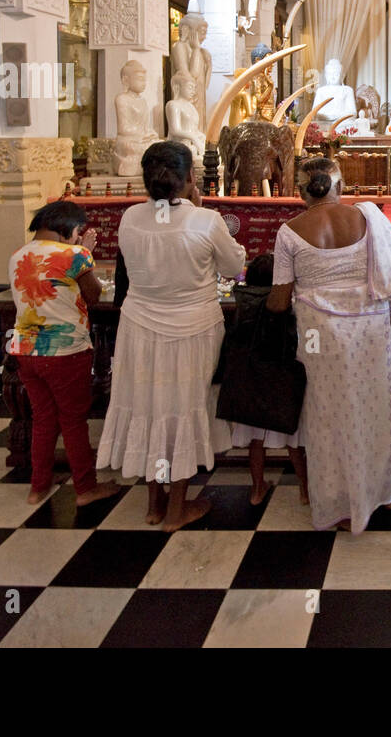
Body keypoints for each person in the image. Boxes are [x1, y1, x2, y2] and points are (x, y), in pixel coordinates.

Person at [97, 141, 246, 532]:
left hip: (138, 328)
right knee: (181, 408)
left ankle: (154, 504)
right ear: (190, 179)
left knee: (148, 405)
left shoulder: (130, 218)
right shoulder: (205, 221)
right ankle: (177, 509)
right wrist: (195, 207)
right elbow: (233, 267)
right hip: (192, 330)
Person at [266, 157, 391, 533]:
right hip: (369, 327)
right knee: (375, 405)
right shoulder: (368, 220)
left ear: (300, 191)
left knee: (327, 414)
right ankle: (385, 492)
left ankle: (339, 506)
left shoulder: (289, 232)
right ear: (339, 187)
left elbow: (279, 302)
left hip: (318, 334)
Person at [8, 200, 119, 508]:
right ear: (68, 229)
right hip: (65, 351)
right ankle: (85, 488)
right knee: (72, 420)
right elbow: (94, 295)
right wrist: (84, 252)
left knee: (43, 419)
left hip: (26, 349)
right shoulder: (75, 255)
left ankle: (38, 486)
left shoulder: (19, 254)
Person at [223, 252, 309, 506]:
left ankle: (257, 489)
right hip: (281, 384)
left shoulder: (242, 304)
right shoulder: (285, 305)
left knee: (255, 441)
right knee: (294, 443)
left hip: (251, 383)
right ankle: (305, 490)